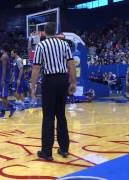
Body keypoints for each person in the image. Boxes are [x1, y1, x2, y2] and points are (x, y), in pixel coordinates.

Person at [31, 22, 77, 161]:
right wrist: (73, 82)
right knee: (61, 115)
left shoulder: (41, 45)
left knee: (48, 117)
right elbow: (71, 64)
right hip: (63, 80)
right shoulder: (64, 44)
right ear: (55, 31)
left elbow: (36, 68)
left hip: (49, 81)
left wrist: (33, 87)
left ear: (44, 32)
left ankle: (47, 152)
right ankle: (64, 149)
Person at [0, 44, 16, 119]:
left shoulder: (4, 56)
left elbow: (4, 69)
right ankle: (3, 111)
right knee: (3, 96)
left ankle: (11, 107)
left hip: (3, 78)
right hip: (2, 77)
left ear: (3, 49)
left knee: (2, 95)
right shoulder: (5, 56)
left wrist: (3, 79)